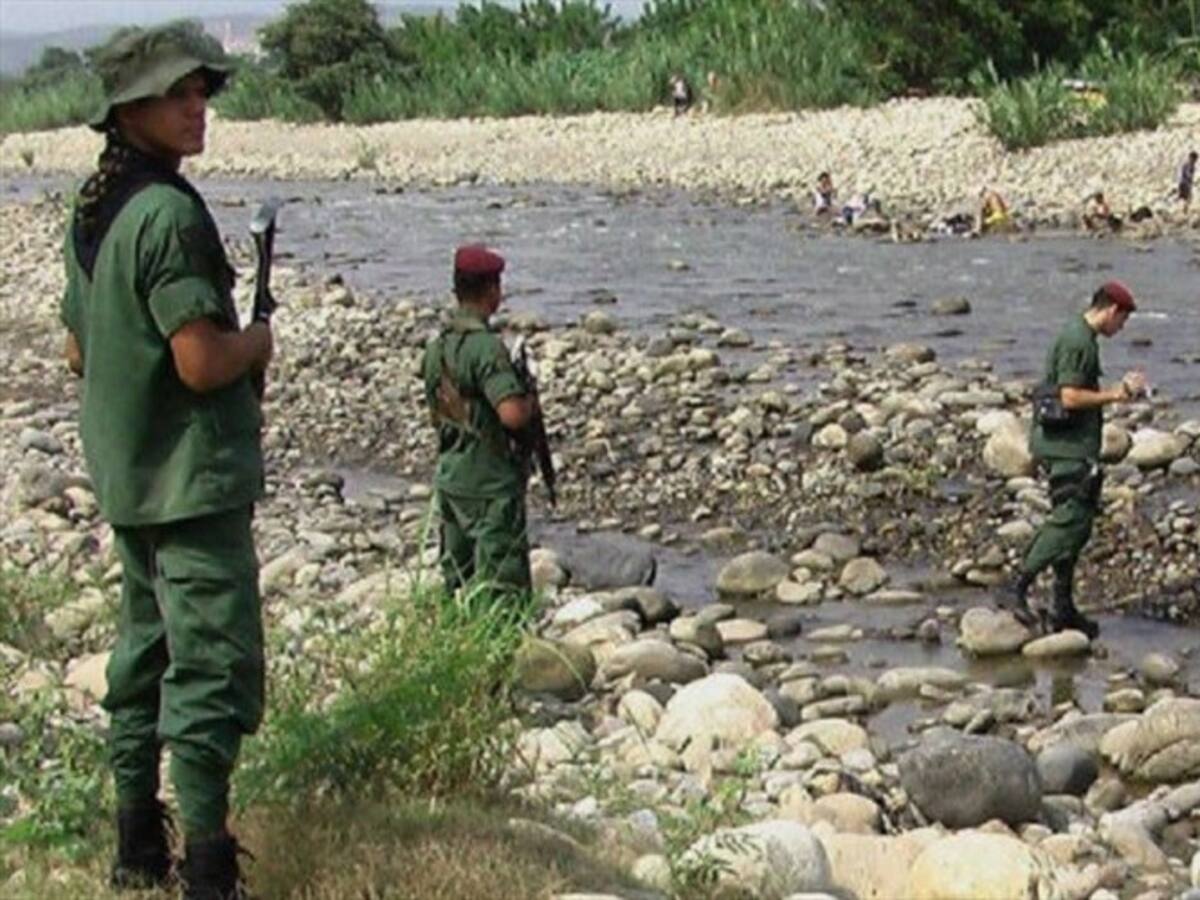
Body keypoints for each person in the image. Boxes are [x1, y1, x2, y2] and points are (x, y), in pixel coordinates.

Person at [60, 22, 270, 900]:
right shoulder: (168, 214)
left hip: (130, 480)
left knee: (139, 663)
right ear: (131, 106)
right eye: (178, 94)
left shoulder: (97, 202)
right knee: (210, 672)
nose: (197, 108)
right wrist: (256, 342)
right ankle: (209, 872)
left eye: (202, 93)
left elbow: (77, 351)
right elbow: (199, 362)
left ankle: (137, 847)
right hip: (190, 486)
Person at [1002, 281, 1147, 639]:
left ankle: (1063, 607)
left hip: (1072, 444)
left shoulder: (1080, 336)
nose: (1122, 329)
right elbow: (1068, 397)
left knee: (1075, 528)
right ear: (1111, 310)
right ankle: (1016, 586)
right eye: (1123, 321)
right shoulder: (1078, 341)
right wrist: (1118, 393)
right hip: (1067, 447)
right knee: (1070, 522)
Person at [422, 245, 534, 603]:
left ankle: (457, 647)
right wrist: (529, 399)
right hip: (490, 485)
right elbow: (511, 415)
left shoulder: (437, 348)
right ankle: (498, 655)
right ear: (492, 291)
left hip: (453, 478)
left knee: (457, 580)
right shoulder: (486, 348)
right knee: (502, 588)